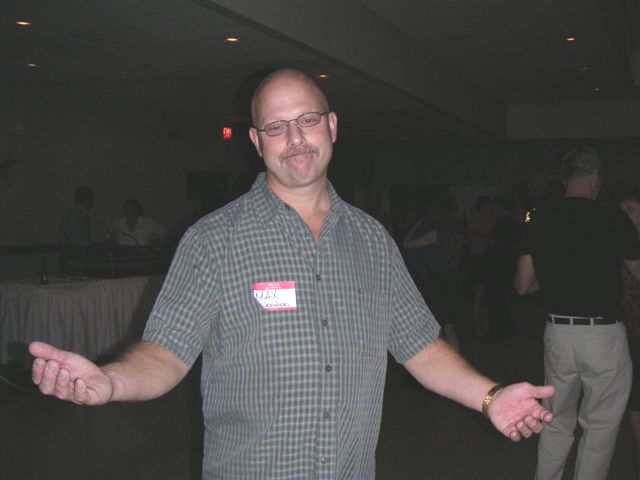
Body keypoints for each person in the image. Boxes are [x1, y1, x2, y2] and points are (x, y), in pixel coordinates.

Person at [30, 68, 554, 479]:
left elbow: (421, 348)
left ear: (333, 126)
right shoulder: (214, 240)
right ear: (257, 142)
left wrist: (490, 397)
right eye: (277, 127)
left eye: (307, 120)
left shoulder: (373, 240)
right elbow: (165, 352)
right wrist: (111, 381)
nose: (295, 138)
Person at [515, 146, 640, 480]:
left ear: (565, 178)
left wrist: (558, 278)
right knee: (599, 426)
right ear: (596, 177)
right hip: (603, 334)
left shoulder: (539, 215)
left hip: (559, 332)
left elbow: (523, 285)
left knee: (555, 420)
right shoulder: (613, 215)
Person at [620, 187, 640, 479]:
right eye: (622, 211)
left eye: (632, 210)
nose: (627, 217)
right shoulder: (618, 244)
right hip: (628, 332)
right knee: (635, 400)